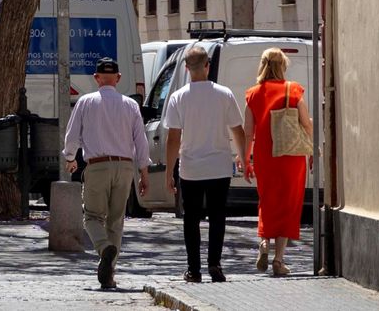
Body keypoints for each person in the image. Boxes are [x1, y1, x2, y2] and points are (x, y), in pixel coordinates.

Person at [62, 57, 151, 290]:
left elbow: (72, 136)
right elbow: (140, 141)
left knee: (92, 217)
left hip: (97, 166)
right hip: (125, 167)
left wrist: (70, 158)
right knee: (116, 221)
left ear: (96, 77)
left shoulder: (86, 102)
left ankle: (103, 248)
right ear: (118, 78)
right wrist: (144, 172)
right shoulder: (130, 105)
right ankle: (109, 273)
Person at [164, 46, 248, 283]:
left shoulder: (178, 97)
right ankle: (215, 264)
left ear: (186, 68)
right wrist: (243, 158)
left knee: (191, 219)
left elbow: (173, 139)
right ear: (207, 66)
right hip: (219, 167)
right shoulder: (224, 94)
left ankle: (194, 269)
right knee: (217, 216)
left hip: (191, 169)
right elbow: (238, 130)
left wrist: (169, 172)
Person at [244, 47, 313, 276]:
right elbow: (306, 124)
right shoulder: (293, 90)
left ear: (262, 66)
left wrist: (245, 159)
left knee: (267, 200)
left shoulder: (253, 94)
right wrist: (312, 149)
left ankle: (264, 242)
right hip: (290, 156)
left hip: (265, 155)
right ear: (282, 66)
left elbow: (248, 132)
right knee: (288, 204)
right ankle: (279, 260)